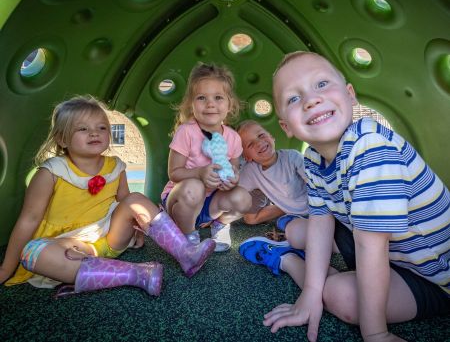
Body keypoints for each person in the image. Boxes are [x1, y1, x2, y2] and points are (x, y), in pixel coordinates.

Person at [264, 51, 450, 342]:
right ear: (286, 127)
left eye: (322, 84)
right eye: (294, 98)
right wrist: (309, 294)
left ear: (350, 95)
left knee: (339, 297)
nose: (312, 99)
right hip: (391, 254)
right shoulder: (313, 159)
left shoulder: (369, 145)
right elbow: (321, 220)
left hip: (434, 274)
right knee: (300, 230)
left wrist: (375, 333)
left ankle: (291, 262)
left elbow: (370, 244)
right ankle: (291, 256)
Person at [0, 95, 215, 296]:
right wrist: (6, 268)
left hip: (111, 238)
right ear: (62, 139)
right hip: (68, 245)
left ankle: (186, 253)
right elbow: (29, 219)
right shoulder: (51, 172)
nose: (95, 133)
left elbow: (125, 203)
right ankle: (137, 273)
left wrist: (138, 230)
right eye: (83, 128)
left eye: (102, 128)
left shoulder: (115, 167)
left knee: (135, 200)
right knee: (33, 253)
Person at [161, 63, 252, 252]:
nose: (210, 104)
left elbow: (233, 170)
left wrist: (231, 181)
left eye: (218, 97)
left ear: (230, 104)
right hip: (181, 201)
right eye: (202, 98)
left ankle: (219, 225)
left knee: (243, 198)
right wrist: (200, 173)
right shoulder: (186, 132)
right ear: (191, 104)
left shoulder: (233, 137)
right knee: (194, 187)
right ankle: (187, 235)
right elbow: (174, 173)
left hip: (210, 205)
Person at [237, 120, 312, 282]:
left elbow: (314, 183)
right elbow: (234, 196)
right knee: (291, 230)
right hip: (294, 216)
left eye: (261, 135)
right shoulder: (251, 171)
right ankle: (290, 251)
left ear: (272, 138)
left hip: (315, 210)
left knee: (305, 234)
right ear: (247, 157)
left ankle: (289, 251)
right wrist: (213, 216)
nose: (259, 143)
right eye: (250, 144)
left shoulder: (292, 157)